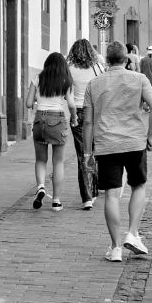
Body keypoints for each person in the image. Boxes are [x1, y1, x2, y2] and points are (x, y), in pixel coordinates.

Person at [85, 40, 152, 263]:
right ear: (127, 58)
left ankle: (115, 247)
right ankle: (133, 232)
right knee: (138, 186)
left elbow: (88, 123)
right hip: (134, 142)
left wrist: (87, 152)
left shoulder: (94, 84)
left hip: (106, 143)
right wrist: (150, 135)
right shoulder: (139, 79)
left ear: (107, 60)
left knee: (111, 194)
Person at [28, 52, 73, 210]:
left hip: (40, 120)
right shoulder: (65, 80)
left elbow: (28, 103)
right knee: (58, 162)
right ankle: (56, 200)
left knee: (41, 159)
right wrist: (74, 117)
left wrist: (39, 99)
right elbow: (72, 104)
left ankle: (40, 186)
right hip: (58, 120)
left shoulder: (38, 78)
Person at [66, 39, 102, 210]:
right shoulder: (98, 68)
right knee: (94, 151)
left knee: (83, 154)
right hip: (95, 112)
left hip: (78, 113)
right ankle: (94, 191)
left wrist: (72, 116)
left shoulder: (69, 69)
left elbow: (68, 97)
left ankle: (87, 196)